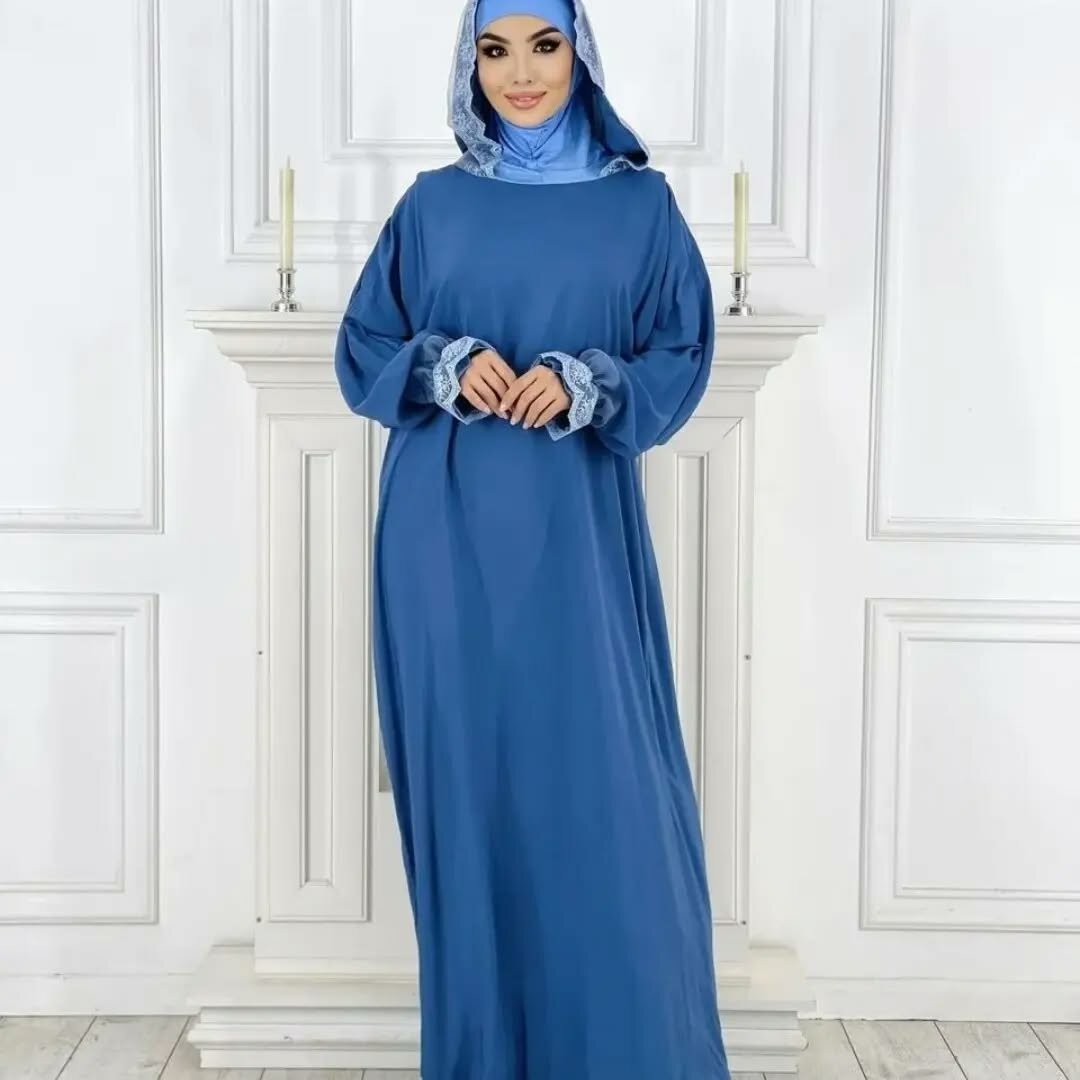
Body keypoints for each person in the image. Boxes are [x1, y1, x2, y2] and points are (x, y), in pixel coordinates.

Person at [333, 0, 732, 1075]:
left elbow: (681, 353)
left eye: (544, 45)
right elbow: (362, 347)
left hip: (579, 540)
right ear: (470, 65)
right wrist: (445, 361)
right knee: (474, 798)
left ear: (580, 55)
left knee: (606, 798)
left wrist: (588, 382)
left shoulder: (640, 209)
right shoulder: (432, 206)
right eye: (495, 50)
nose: (520, 73)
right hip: (439, 538)